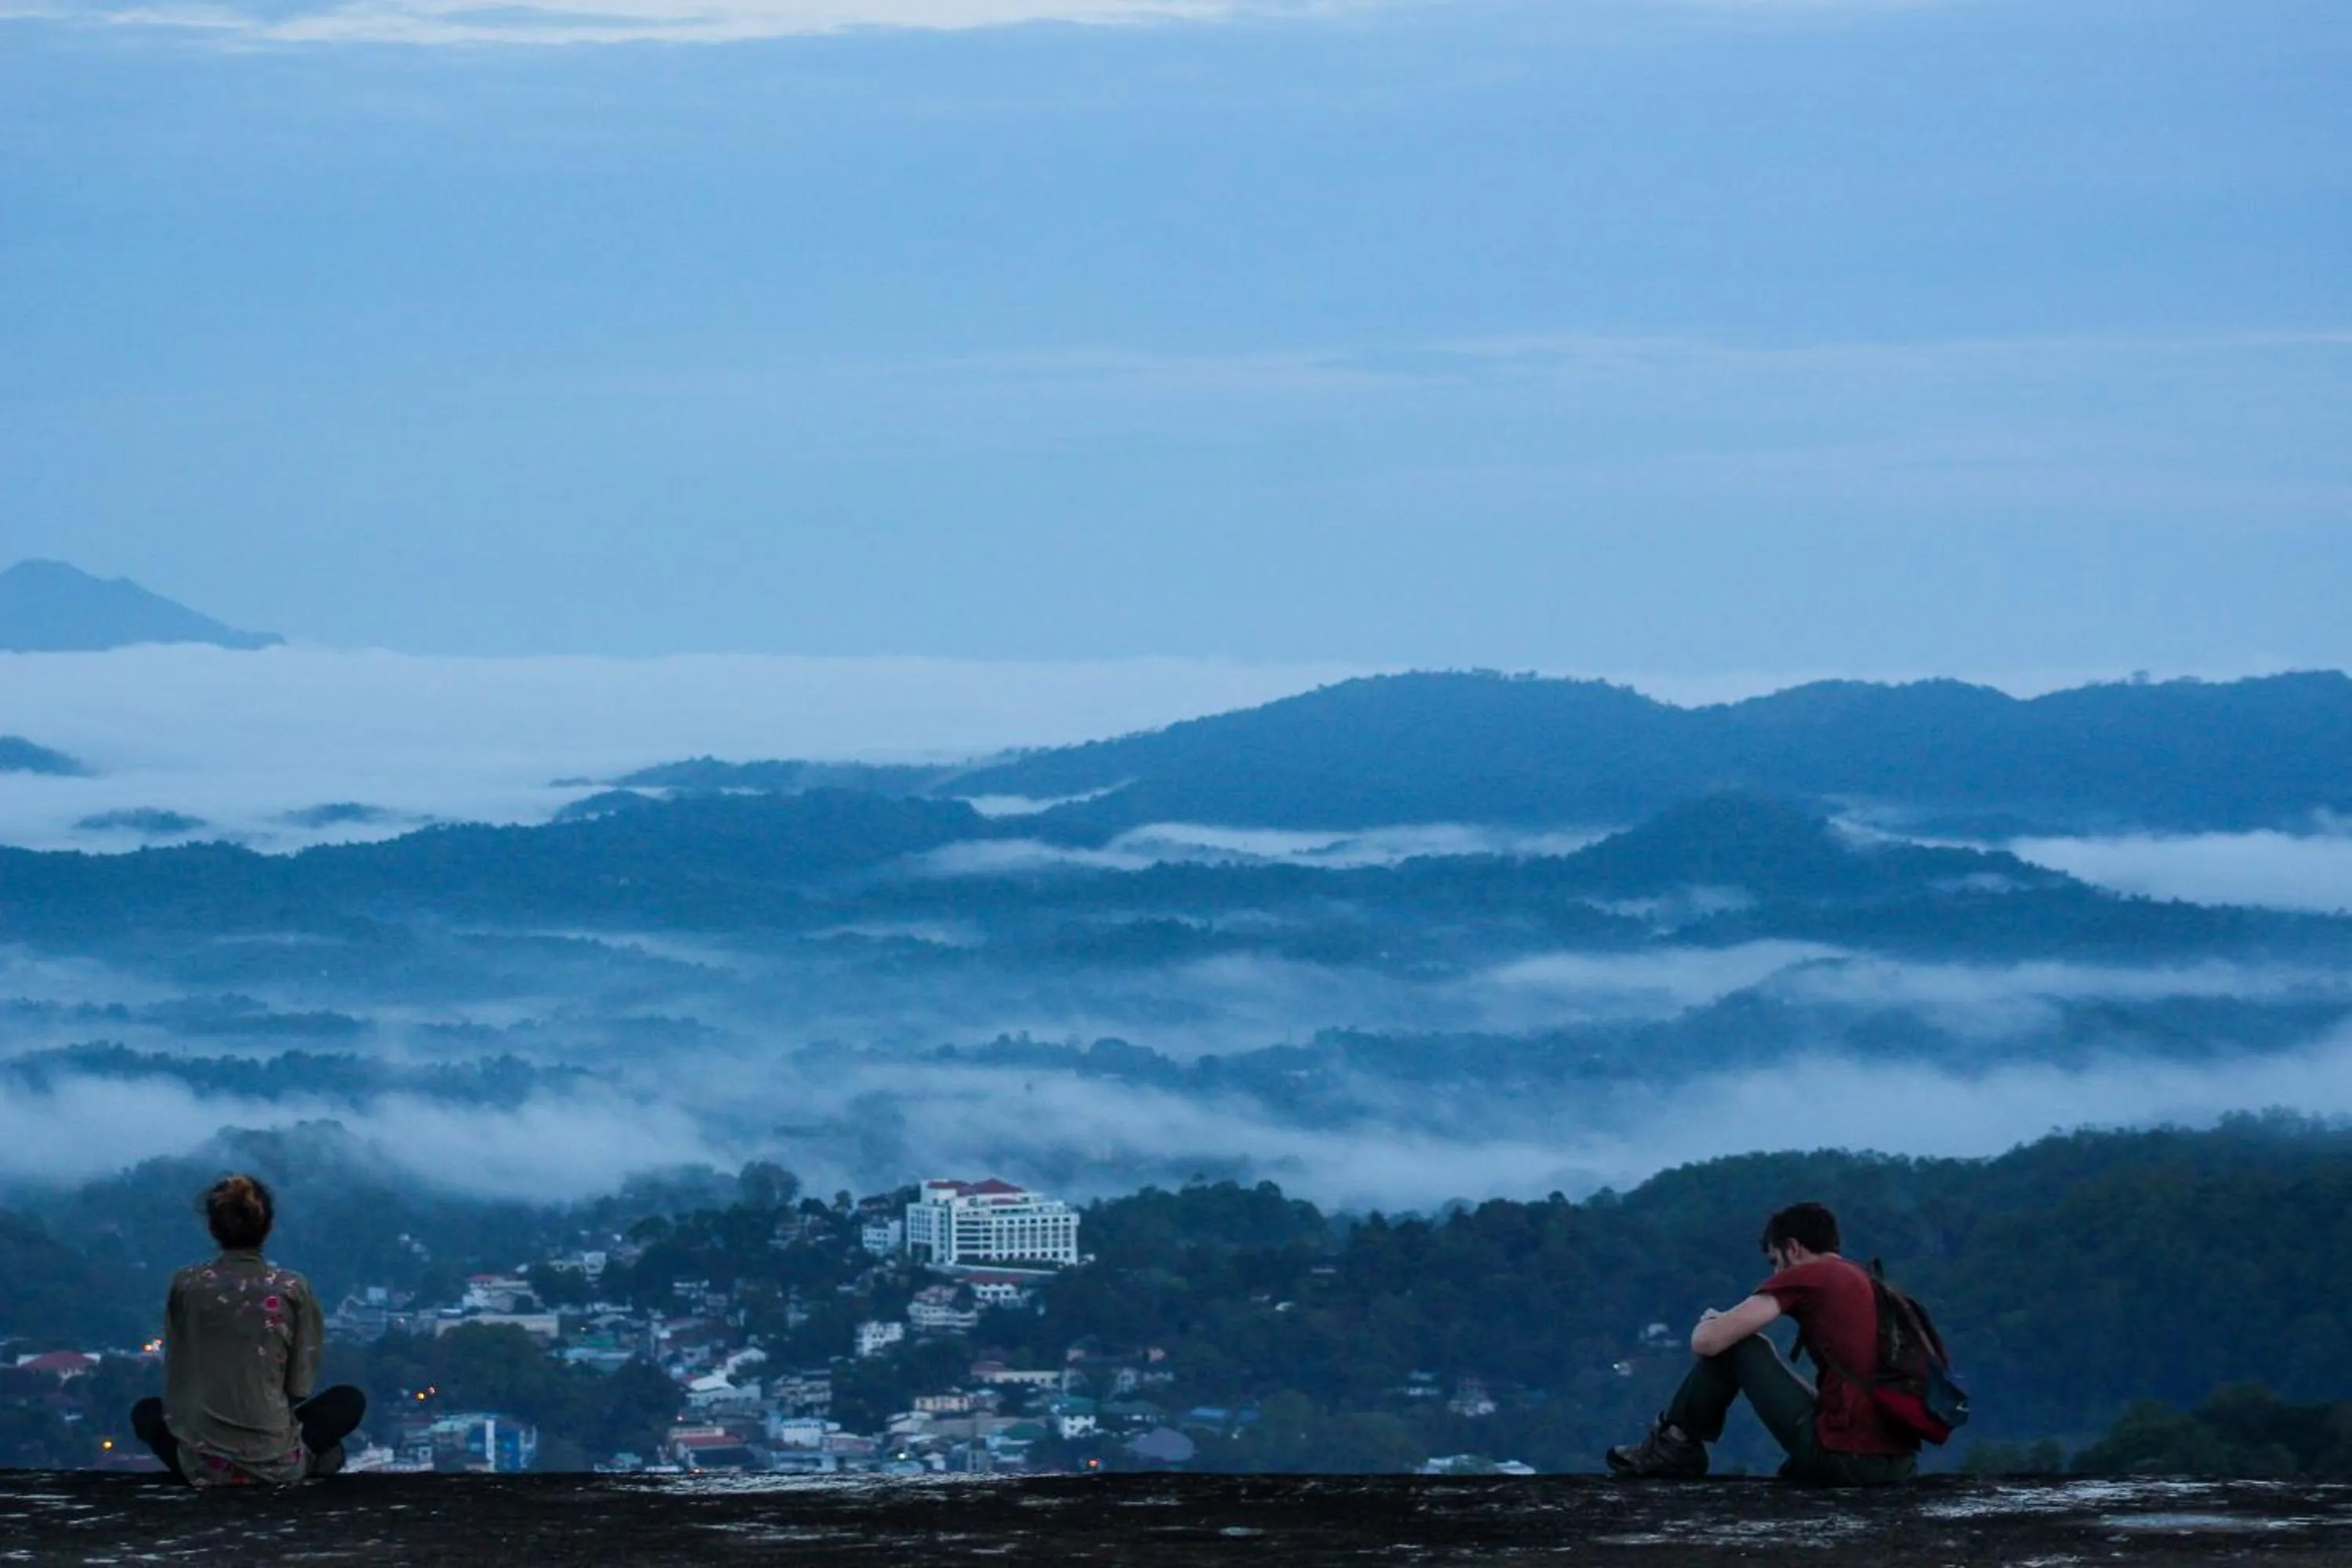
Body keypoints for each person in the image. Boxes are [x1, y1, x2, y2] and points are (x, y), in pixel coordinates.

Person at [1606, 1200, 1918, 1486]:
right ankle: (1675, 1444)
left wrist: (1713, 1322)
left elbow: (1708, 1344)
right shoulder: (1866, 1281)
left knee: (1742, 1347)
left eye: (1775, 1260)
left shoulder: (1811, 1274)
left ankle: (1674, 1445)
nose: (1775, 1272)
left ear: (1793, 1248)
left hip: (1849, 1462)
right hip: (1897, 1465)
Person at [129, 1174, 367, 1486]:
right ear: (268, 1227)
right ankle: (305, 1462)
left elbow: (178, 1370)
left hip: (201, 1464)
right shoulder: (291, 1288)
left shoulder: (186, 1284)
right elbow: (298, 1387)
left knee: (146, 1412)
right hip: (275, 1460)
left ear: (213, 1228)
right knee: (349, 1401)